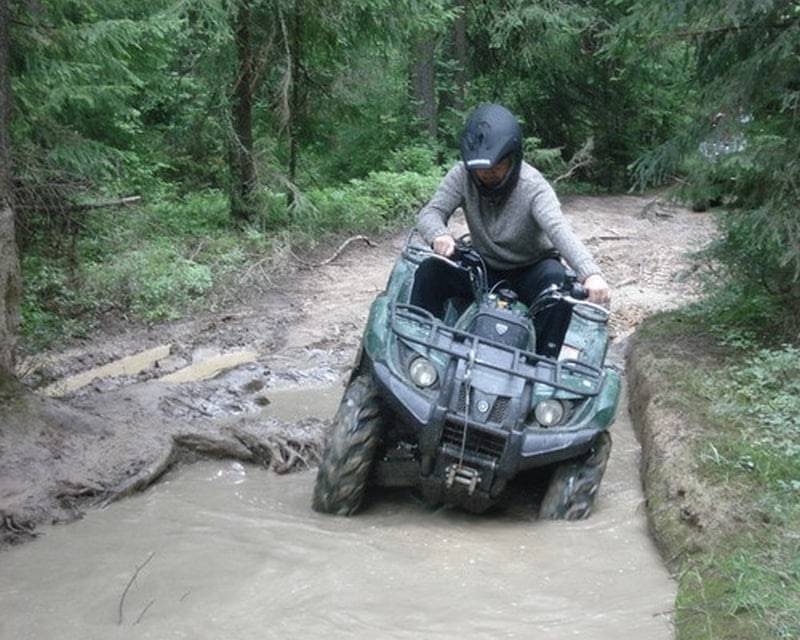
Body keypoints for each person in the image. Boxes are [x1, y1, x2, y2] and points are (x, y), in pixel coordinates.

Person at [410, 103, 611, 357]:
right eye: (480, 168)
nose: (486, 174)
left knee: (559, 288)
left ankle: (540, 366)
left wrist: (590, 274)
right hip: (482, 265)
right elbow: (430, 213)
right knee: (431, 270)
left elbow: (559, 230)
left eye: (495, 167)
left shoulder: (533, 186)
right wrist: (439, 234)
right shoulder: (462, 175)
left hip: (531, 267)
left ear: (512, 158)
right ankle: (417, 348)